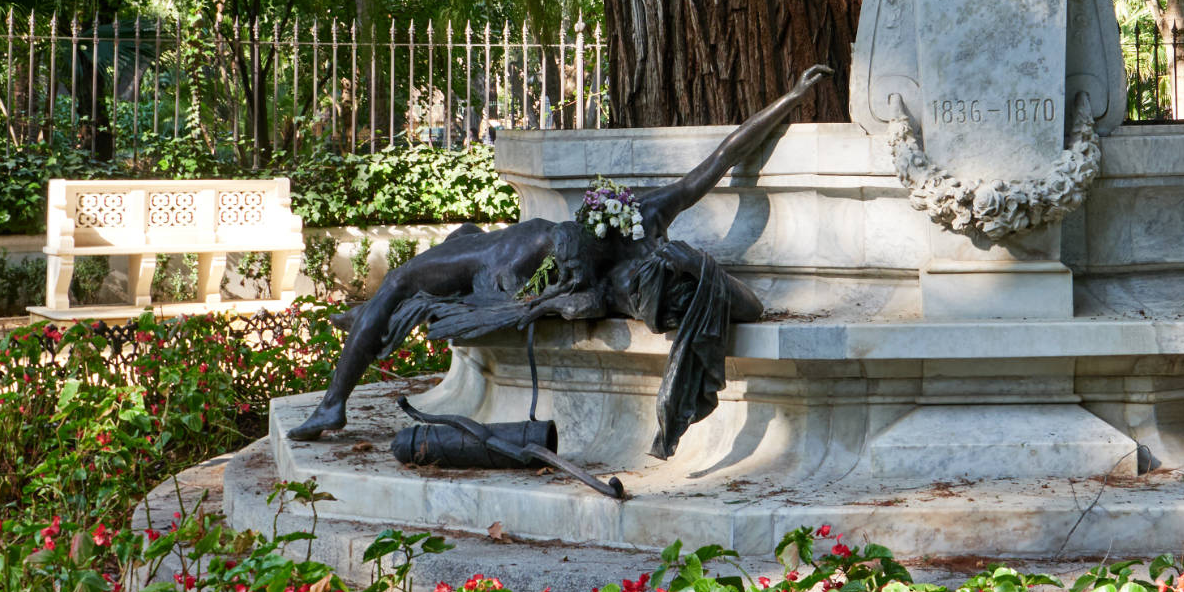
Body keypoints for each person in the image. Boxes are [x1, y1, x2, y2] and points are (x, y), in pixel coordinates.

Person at [288, 65, 832, 457]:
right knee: (407, 282)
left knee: (405, 283)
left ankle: (343, 380)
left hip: (490, 273)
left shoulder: (615, 277)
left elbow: (721, 274)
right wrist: (788, 98)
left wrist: (788, 101)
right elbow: (715, 164)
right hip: (494, 246)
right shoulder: (632, 215)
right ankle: (366, 324)